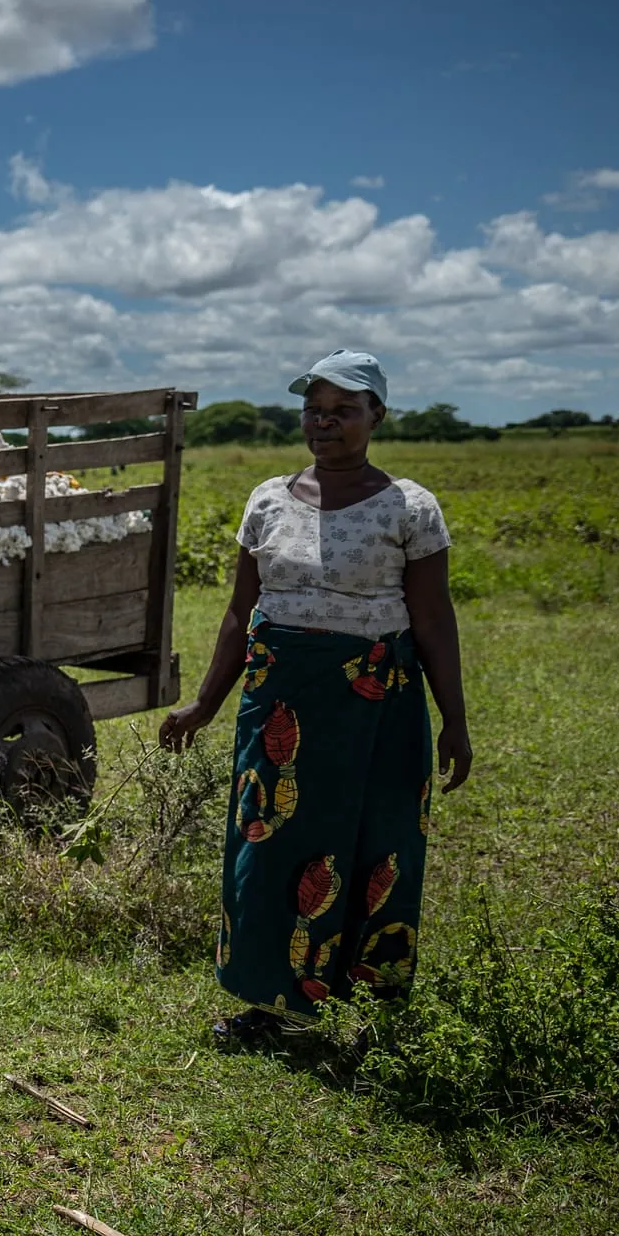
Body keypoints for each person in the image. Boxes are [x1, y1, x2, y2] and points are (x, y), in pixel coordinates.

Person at [158, 350, 473, 1046]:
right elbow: (243, 613)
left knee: (375, 845)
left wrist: (454, 718)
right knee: (268, 843)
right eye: (314, 409)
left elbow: (432, 618)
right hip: (279, 701)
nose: (324, 422)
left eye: (344, 410)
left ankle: (367, 1016)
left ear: (376, 417)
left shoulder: (409, 507)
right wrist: (204, 705)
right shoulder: (267, 499)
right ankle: (265, 1009)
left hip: (374, 705)